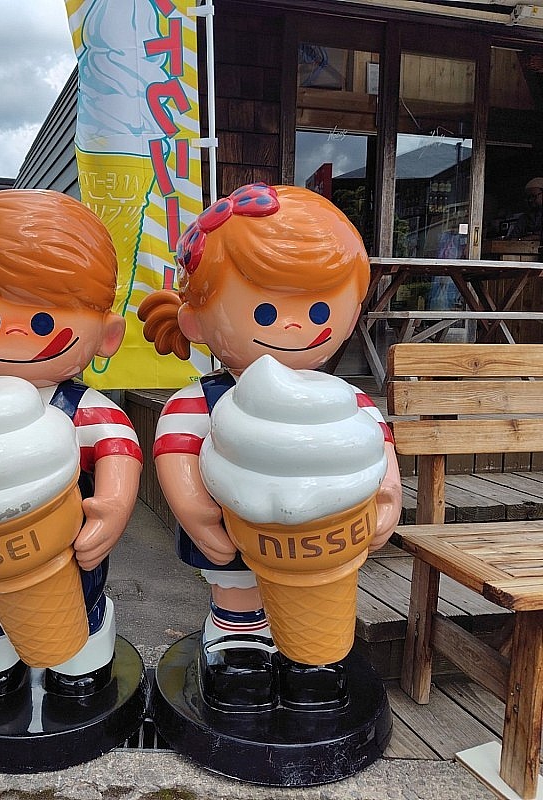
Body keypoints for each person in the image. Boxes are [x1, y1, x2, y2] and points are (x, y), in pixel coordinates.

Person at [138, 183, 402, 707]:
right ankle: (237, 641)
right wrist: (197, 514)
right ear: (194, 319)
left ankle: (310, 653)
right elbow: (175, 449)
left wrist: (388, 497)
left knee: (313, 608)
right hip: (231, 526)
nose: (294, 326)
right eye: (263, 313)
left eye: (320, 311)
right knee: (236, 586)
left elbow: (378, 447)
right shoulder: (203, 401)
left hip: (323, 535)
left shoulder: (345, 398)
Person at [0, 189, 143, 697]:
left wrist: (112, 506)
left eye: (43, 322)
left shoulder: (82, 408)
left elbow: (119, 450)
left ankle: (83, 654)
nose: (17, 334)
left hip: (71, 541)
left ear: (107, 336)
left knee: (80, 595)